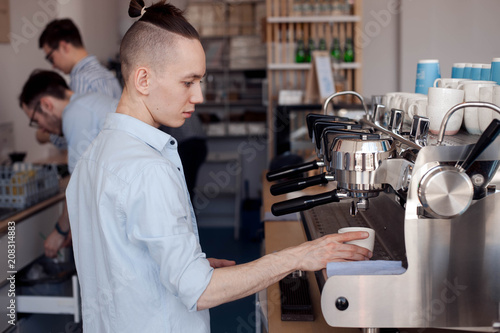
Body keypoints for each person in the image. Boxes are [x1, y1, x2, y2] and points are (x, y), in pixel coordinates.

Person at [65, 1, 372, 332]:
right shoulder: (147, 169)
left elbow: (116, 263)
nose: (199, 96)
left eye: (201, 81)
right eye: (188, 82)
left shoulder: (91, 156)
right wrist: (299, 257)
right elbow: (200, 291)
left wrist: (183, 266)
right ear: (143, 79)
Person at [19, 70, 119, 258]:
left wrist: (60, 230)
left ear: (46, 105)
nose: (41, 128)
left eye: (35, 120)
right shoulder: (91, 101)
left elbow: (79, 183)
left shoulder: (75, 113)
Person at [37, 18, 122, 148]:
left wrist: (45, 135)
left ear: (64, 46)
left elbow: (78, 135)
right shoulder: (107, 75)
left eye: (50, 58)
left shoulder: (81, 80)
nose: (53, 65)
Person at [159, 114, 207, 201]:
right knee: (187, 183)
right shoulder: (185, 106)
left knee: (184, 184)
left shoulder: (165, 110)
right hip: (200, 144)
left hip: (186, 144)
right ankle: (189, 209)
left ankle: (188, 210)